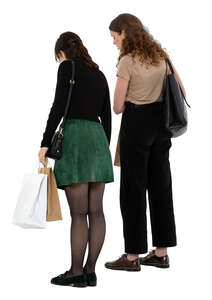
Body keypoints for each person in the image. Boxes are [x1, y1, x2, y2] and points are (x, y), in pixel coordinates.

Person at [105, 13, 186, 271]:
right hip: (161, 126)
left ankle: (131, 257)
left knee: (133, 190)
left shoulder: (127, 61)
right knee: (161, 187)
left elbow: (117, 107)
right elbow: (182, 92)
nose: (114, 42)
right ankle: (161, 253)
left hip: (137, 125)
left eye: (115, 37)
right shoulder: (161, 55)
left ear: (125, 33)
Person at [38, 31, 114, 287]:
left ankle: (75, 272)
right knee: (97, 211)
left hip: (76, 139)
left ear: (62, 52)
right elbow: (107, 115)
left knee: (79, 215)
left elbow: (58, 106)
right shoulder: (100, 74)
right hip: (98, 139)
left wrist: (45, 143)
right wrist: (104, 147)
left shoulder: (67, 68)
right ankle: (90, 270)